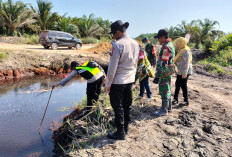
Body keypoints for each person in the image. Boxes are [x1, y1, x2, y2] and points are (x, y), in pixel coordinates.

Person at [105, 20, 139, 140]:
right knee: (127, 106)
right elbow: (136, 63)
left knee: (117, 107)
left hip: (118, 81)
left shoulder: (117, 45)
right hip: (130, 79)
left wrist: (108, 83)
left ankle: (120, 133)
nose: (113, 36)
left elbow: (112, 67)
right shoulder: (135, 43)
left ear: (118, 32)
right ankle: (125, 129)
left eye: (113, 33)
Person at [153, 29, 175, 116]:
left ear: (163, 37)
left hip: (164, 72)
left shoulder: (166, 47)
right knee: (168, 88)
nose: (158, 40)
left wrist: (158, 75)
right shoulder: (170, 44)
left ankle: (164, 110)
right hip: (168, 71)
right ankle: (169, 107)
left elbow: (164, 63)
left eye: (158, 38)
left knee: (164, 90)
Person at [172, 37, 192, 105]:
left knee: (183, 85)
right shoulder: (181, 50)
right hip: (180, 70)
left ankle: (186, 100)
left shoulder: (186, 51)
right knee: (177, 84)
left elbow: (186, 63)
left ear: (181, 43)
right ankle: (175, 98)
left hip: (184, 71)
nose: (176, 45)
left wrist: (184, 73)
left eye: (177, 43)